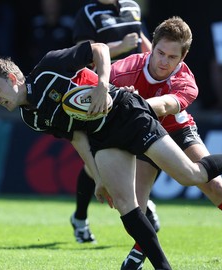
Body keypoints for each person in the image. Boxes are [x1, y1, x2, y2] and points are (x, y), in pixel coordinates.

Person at [0, 41, 222, 269]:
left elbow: (99, 49)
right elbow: (76, 136)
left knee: (191, 176)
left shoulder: (49, 67)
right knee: (127, 207)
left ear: (13, 79)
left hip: (127, 113)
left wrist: (103, 85)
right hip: (101, 135)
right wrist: (97, 177)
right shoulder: (30, 118)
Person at [109, 16, 222, 270]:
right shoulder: (122, 70)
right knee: (131, 208)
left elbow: (166, 105)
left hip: (177, 131)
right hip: (142, 134)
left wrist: (135, 104)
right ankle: (141, 250)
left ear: (182, 58)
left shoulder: (186, 81)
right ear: (152, 46)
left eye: (172, 57)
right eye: (160, 52)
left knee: (215, 187)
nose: (164, 61)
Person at [70, 0, 157, 245]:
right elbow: (82, 56)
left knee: (148, 143)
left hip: (136, 89)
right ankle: (80, 218)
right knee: (96, 161)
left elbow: (144, 44)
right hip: (102, 91)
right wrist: (121, 46)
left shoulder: (133, 6)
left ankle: (143, 199)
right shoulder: (87, 12)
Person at [26, 0, 74, 69]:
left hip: (63, 69)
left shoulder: (68, 25)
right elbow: (29, 49)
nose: (50, 6)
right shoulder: (35, 24)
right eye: (47, 3)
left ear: (59, 4)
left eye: (53, 3)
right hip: (38, 69)